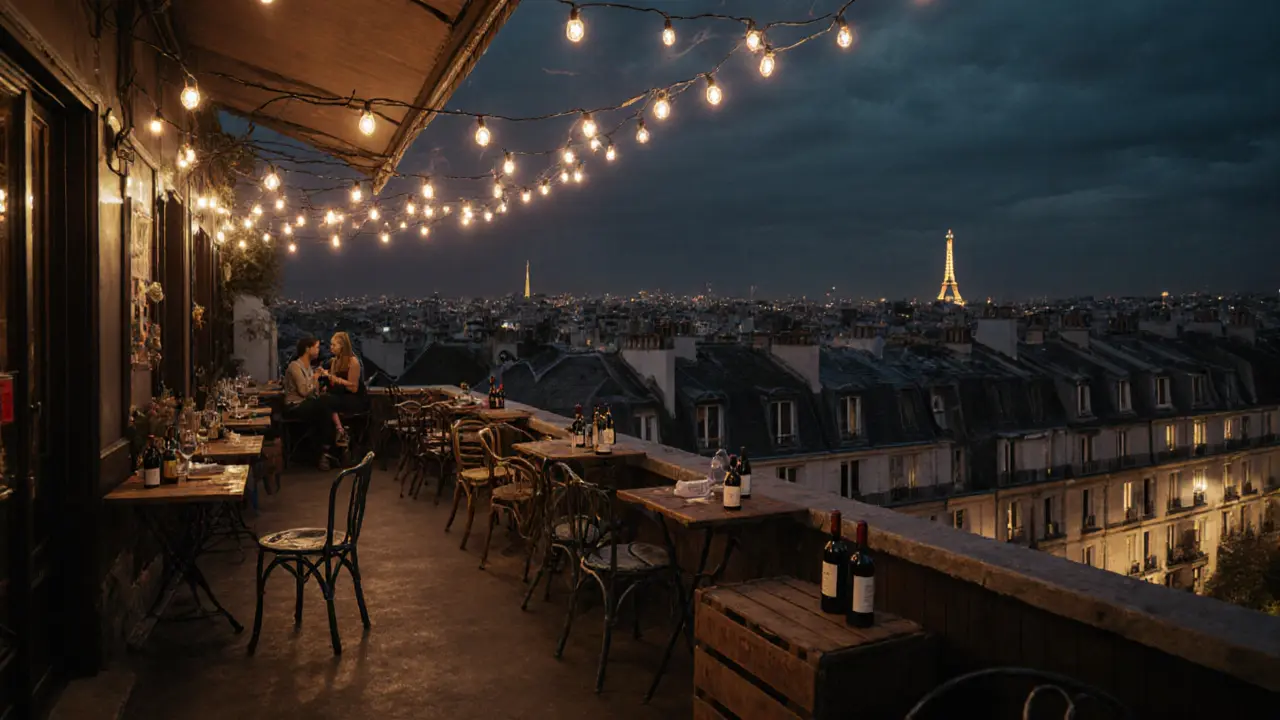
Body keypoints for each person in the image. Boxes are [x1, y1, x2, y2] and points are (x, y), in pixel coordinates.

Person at [283, 336, 343, 469]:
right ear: (307, 349)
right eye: (316, 347)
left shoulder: (309, 367)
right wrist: (315, 377)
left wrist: (320, 384)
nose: (318, 350)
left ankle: (326, 451)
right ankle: (330, 447)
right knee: (325, 406)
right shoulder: (295, 366)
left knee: (326, 406)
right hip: (295, 405)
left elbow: (313, 392)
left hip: (308, 403)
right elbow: (304, 391)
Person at [325, 332, 369, 446]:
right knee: (323, 400)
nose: (331, 347)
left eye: (334, 345)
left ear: (342, 346)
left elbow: (353, 388)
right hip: (341, 395)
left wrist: (337, 380)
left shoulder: (353, 362)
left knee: (328, 402)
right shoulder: (334, 361)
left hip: (354, 398)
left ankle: (340, 432)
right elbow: (333, 382)